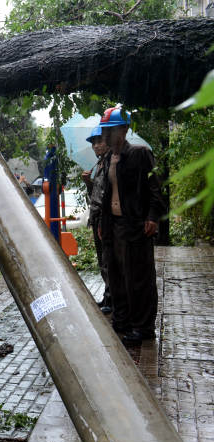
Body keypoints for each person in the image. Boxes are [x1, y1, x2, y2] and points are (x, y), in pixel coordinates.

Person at [97, 106, 164, 347]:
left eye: (111, 129)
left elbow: (155, 189)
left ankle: (143, 327)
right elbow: (107, 196)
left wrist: (153, 217)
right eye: (105, 130)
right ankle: (123, 319)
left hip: (135, 225)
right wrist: (103, 224)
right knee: (116, 275)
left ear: (124, 130)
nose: (106, 135)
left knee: (139, 277)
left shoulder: (140, 154)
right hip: (114, 225)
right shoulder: (108, 159)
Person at [81, 126, 112, 314]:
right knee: (102, 260)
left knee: (108, 261)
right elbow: (96, 195)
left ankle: (113, 299)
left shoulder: (111, 163)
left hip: (105, 220)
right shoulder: (100, 164)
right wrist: (88, 183)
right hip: (97, 219)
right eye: (94, 143)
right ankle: (108, 297)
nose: (96, 146)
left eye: (99, 142)